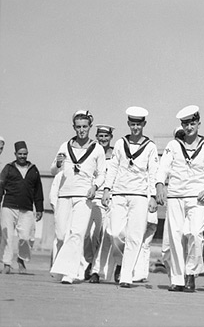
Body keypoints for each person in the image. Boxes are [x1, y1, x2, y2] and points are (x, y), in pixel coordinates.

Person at [156, 105, 204, 292]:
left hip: (197, 197)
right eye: (185, 124)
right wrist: (160, 185)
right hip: (176, 195)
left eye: (192, 123)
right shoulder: (173, 145)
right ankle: (178, 279)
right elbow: (163, 168)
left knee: (195, 234)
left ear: (198, 123)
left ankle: (191, 273)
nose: (189, 127)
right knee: (175, 236)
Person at [101, 106, 159, 288]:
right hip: (119, 193)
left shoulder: (150, 146)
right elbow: (114, 168)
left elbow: (153, 173)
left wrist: (153, 196)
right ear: (128, 124)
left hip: (140, 195)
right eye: (132, 124)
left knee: (135, 236)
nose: (135, 128)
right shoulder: (120, 143)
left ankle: (126, 275)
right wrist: (106, 189)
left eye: (138, 124)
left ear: (144, 124)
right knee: (115, 232)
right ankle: (120, 261)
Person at [50, 110, 106, 284]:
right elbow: (53, 170)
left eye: (85, 127)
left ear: (90, 127)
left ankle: (69, 273)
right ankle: (64, 268)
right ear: (74, 127)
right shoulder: (64, 145)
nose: (82, 130)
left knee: (77, 233)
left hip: (84, 196)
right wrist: (58, 163)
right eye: (78, 127)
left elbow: (102, 173)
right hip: (65, 194)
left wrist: (95, 187)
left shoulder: (97, 149)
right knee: (60, 234)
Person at [0, 141, 44, 274]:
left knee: (26, 237)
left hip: (27, 208)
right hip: (9, 206)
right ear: (15, 154)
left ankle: (21, 261)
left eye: (25, 154)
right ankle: (6, 264)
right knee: (6, 236)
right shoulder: (8, 168)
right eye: (20, 154)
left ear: (27, 154)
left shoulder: (33, 169)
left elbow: (38, 191)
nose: (22, 156)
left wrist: (40, 208)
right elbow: (0, 186)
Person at [84, 124, 115, 280]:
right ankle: (89, 261)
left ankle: (94, 269)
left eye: (106, 136)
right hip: (92, 196)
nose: (103, 139)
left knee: (102, 234)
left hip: (108, 198)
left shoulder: (115, 154)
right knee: (87, 233)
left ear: (110, 137)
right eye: (100, 136)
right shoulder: (92, 151)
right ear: (96, 137)